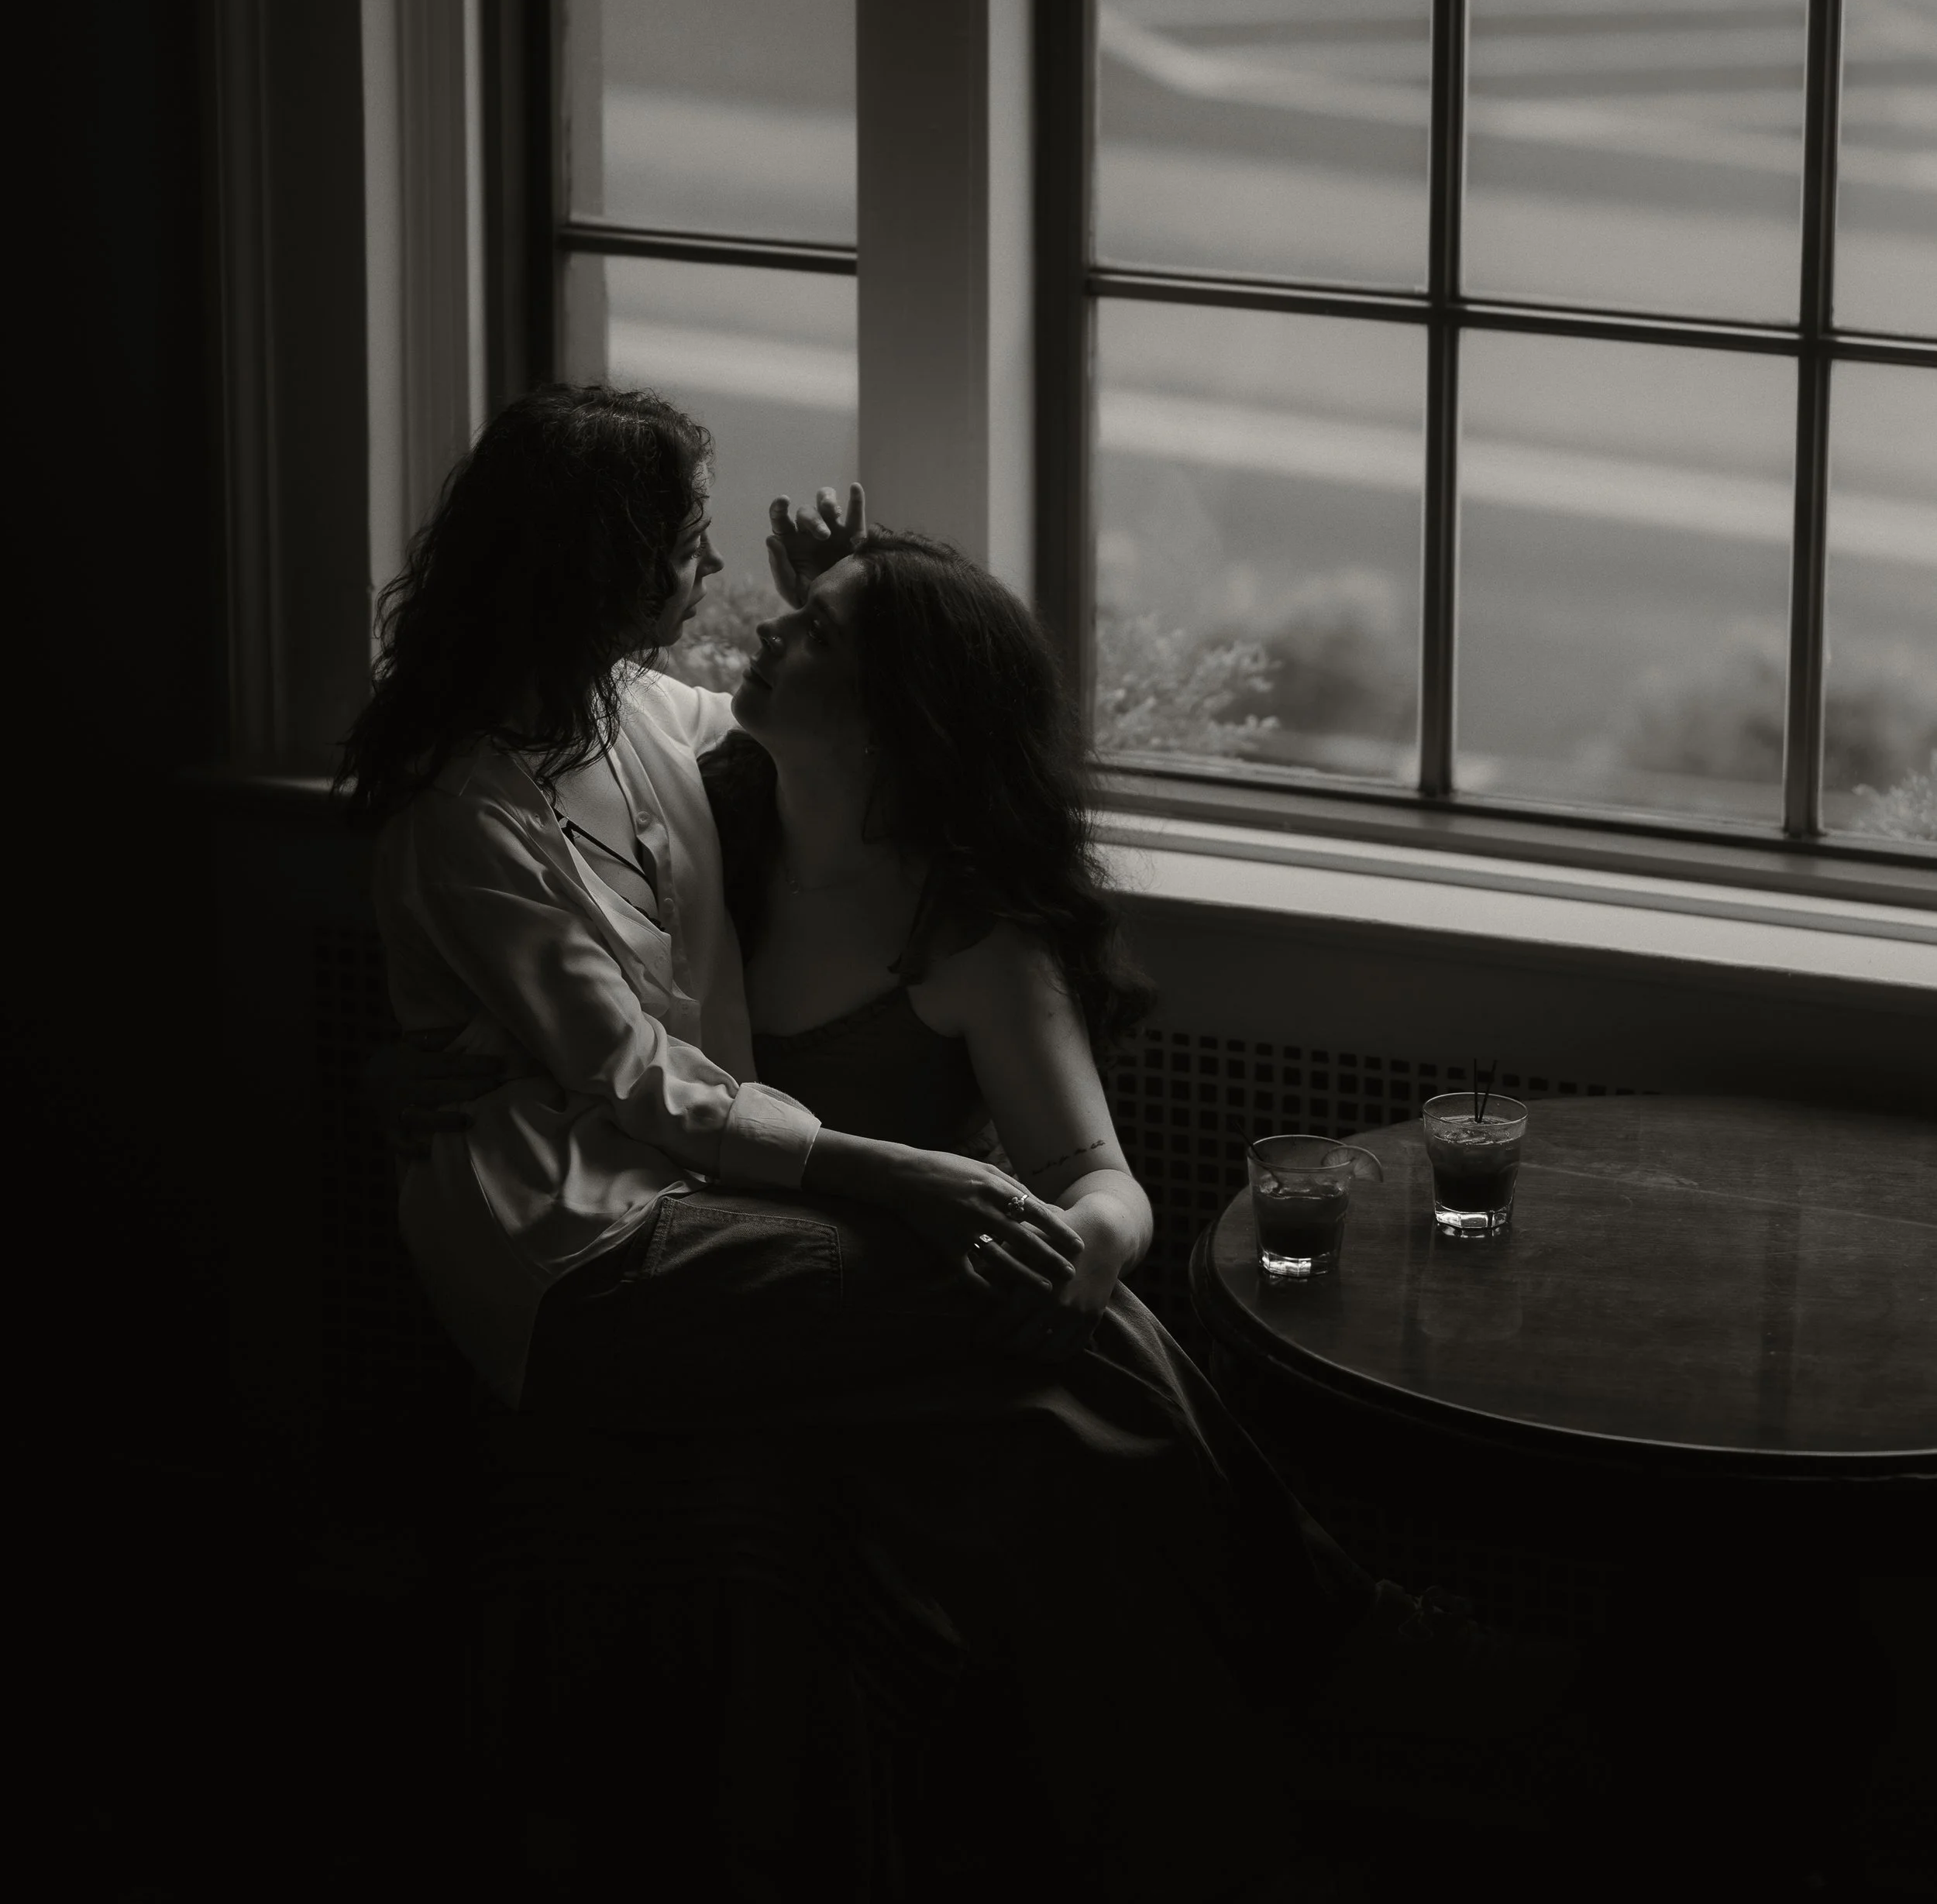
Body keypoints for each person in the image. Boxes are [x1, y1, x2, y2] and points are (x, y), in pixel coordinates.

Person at [348, 385, 1573, 1901]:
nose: (719, 587)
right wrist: (911, 1174)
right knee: (1009, 1284)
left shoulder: (641, 723)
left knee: (1045, 1335)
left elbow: (837, 717)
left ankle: (1271, 1712)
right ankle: (1355, 1637)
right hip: (573, 1262)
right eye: (688, 550)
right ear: (597, 573)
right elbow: (640, 1077)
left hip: (686, 1212)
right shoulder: (466, 812)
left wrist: (848, 621)